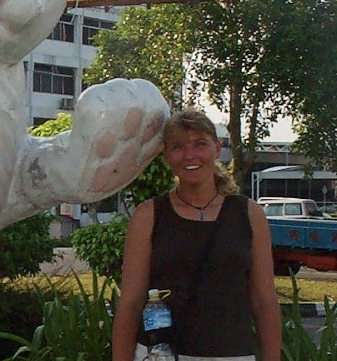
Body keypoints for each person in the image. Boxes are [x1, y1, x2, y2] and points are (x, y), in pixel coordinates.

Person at [112, 109, 281, 361]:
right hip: (162, 355)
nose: (190, 155)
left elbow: (264, 302)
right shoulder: (148, 216)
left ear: (217, 148)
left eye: (200, 144)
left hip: (233, 355)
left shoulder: (248, 214)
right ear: (166, 155)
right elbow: (131, 304)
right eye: (178, 147)